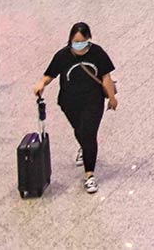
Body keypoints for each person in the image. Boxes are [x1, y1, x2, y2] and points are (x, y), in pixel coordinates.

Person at [34, 21, 117, 194]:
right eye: (75, 42)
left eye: (82, 42)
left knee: (88, 132)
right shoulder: (63, 55)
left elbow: (106, 77)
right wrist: (41, 84)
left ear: (88, 39)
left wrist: (112, 98)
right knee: (80, 130)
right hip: (69, 102)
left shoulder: (97, 53)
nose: (78, 45)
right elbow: (50, 74)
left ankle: (90, 175)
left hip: (93, 100)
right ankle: (84, 148)